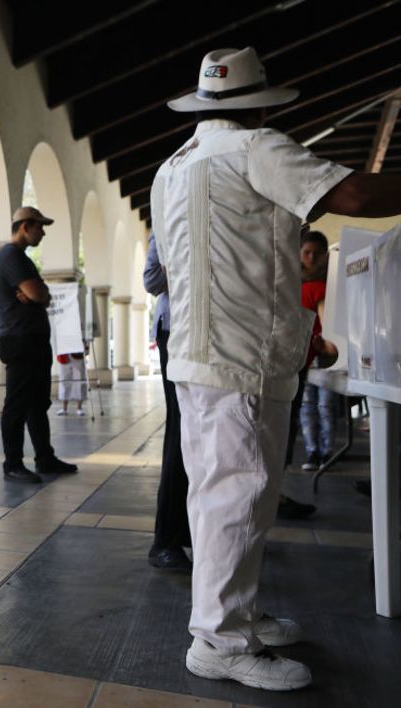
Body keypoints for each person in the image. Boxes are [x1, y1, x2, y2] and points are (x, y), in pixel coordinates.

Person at [151, 47, 401, 691]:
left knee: (217, 494)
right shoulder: (255, 147)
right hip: (242, 356)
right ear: (257, 103)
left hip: (197, 355)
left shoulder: (172, 167)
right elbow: (345, 191)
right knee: (237, 495)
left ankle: (233, 615)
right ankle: (221, 642)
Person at [0, 206, 78, 482]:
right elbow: (38, 293)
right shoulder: (11, 256)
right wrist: (38, 293)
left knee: (37, 403)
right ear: (25, 226)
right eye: (40, 227)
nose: (43, 232)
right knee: (17, 404)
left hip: (32, 341)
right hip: (20, 341)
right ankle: (12, 464)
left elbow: (42, 295)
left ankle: (45, 457)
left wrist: (40, 294)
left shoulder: (21, 258)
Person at [142, 233, 191, 573]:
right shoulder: (169, 216)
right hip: (178, 328)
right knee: (182, 428)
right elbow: (152, 279)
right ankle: (167, 539)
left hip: (216, 327)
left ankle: (194, 528)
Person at [296, 230, 337, 471]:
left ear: (324, 256)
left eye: (316, 254)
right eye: (307, 253)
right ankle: (313, 451)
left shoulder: (327, 286)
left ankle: (326, 451)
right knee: (308, 405)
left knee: (324, 405)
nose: (311, 258)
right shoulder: (294, 283)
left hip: (324, 351)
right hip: (304, 353)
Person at [56, 350, 87, 416]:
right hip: (63, 354)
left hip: (77, 353)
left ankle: (79, 408)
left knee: (80, 380)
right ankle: (64, 409)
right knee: (64, 380)